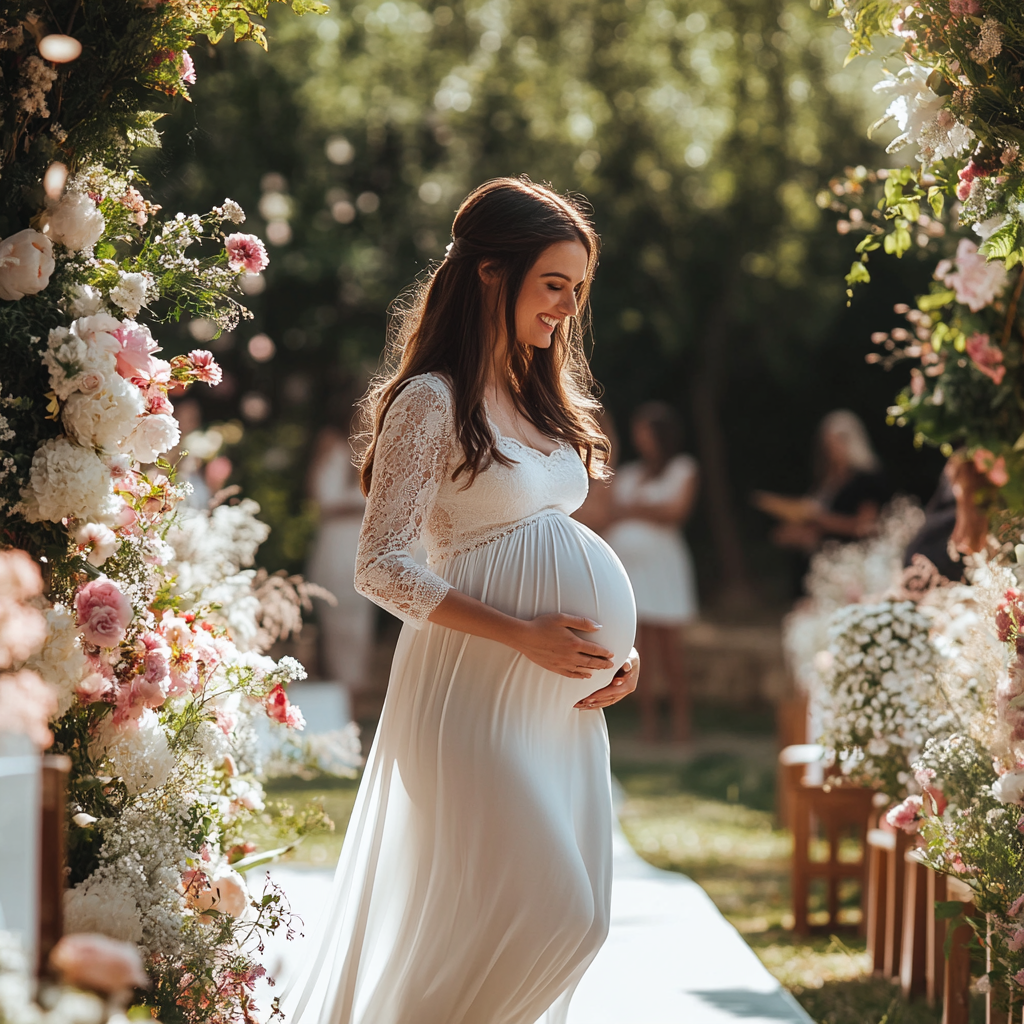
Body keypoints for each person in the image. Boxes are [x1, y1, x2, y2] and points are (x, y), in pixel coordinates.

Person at [284, 177, 640, 1024]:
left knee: (514, 925)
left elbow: (554, 537)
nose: (565, 307)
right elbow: (382, 567)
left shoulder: (539, 398)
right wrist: (525, 635)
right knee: (563, 916)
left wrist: (614, 654)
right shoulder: (430, 400)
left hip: (559, 706)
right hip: (472, 691)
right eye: (553, 284)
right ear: (491, 272)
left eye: (577, 290)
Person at [605, 402, 699, 742]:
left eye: (645, 431)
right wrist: (642, 509)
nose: (639, 437)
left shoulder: (683, 468)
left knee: (670, 649)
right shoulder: (629, 473)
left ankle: (681, 724)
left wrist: (631, 509)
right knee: (638, 648)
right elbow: (608, 513)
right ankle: (649, 725)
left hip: (664, 569)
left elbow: (674, 511)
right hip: (630, 572)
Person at [753, 410, 889, 588]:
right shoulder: (828, 481)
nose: (830, 452)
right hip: (821, 568)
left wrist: (817, 517)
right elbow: (821, 529)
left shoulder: (867, 479)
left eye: (833, 445)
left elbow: (865, 526)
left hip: (852, 570)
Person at [305, 373, 375, 708]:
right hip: (337, 544)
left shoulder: (371, 447)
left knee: (358, 624)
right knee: (337, 622)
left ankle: (354, 693)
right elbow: (323, 500)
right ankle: (340, 695)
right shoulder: (331, 443)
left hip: (360, 544)